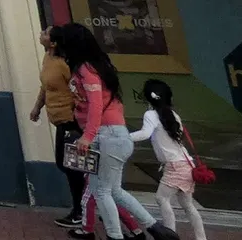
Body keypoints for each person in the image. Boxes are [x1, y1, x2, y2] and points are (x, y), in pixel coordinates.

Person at [58, 22, 179, 240]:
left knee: (102, 191)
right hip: (115, 136)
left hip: (107, 137)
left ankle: (116, 236)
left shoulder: (86, 69)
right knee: (113, 191)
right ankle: (156, 229)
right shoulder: (100, 65)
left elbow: (95, 104)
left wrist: (87, 136)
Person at [131, 80, 207, 240]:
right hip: (186, 164)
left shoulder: (150, 115)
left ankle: (169, 235)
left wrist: (123, 137)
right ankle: (201, 238)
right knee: (187, 205)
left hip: (175, 166)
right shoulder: (174, 115)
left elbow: (145, 134)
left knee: (162, 198)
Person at [28, 25, 84, 229]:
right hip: (59, 120)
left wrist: (78, 114)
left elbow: (78, 89)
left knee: (72, 166)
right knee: (65, 164)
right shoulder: (47, 59)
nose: (40, 34)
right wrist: (37, 107)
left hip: (71, 121)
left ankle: (80, 210)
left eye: (45, 33)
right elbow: (45, 86)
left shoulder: (63, 63)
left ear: (53, 42)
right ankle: (86, 205)